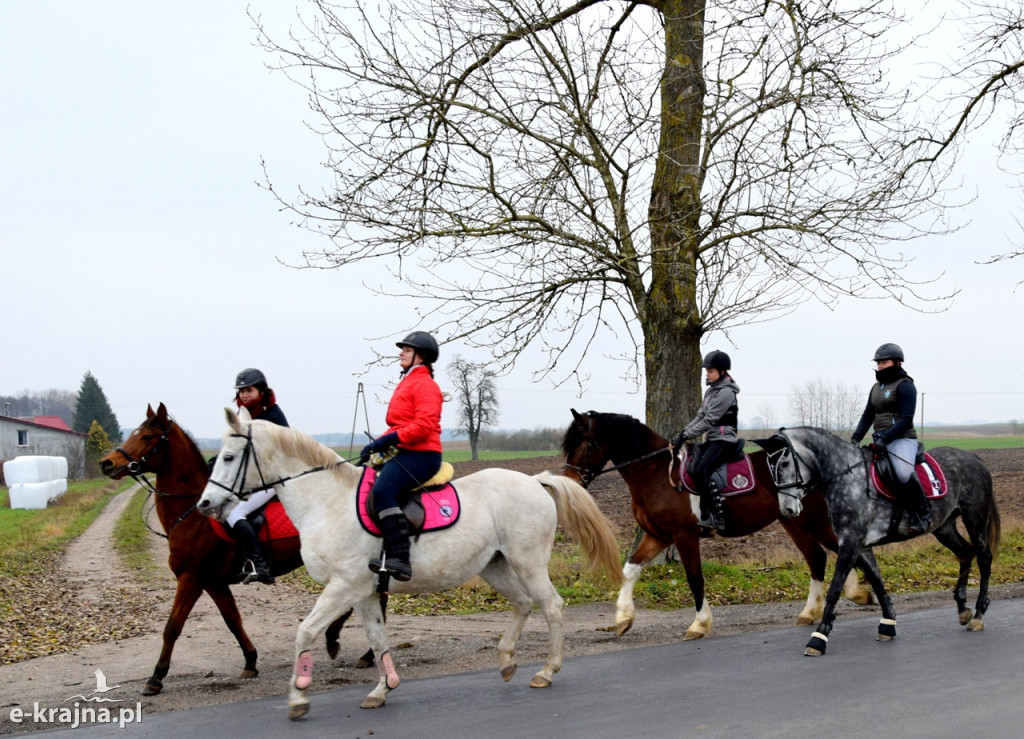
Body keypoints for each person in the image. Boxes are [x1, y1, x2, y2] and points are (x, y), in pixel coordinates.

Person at [359, 331, 444, 582]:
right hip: (407, 450)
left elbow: (424, 425)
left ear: (422, 357)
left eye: (407, 350)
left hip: (423, 454)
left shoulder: (426, 385)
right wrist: (377, 444)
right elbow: (400, 424)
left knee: (383, 491)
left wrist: (390, 439)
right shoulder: (408, 381)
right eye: (403, 349)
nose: (401, 353)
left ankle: (401, 558)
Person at [850, 343, 931, 534]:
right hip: (881, 440)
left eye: (883, 362)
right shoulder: (876, 387)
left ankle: (924, 513)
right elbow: (867, 416)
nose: (879, 366)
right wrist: (856, 438)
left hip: (902, 439)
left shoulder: (906, 385)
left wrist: (885, 437)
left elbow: (906, 419)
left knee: (903, 473)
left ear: (897, 362)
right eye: (878, 363)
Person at [227, 367, 289, 584]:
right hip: (252, 477)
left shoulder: (273, 414)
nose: (244, 395)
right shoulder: (242, 415)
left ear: (261, 391)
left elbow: (285, 448)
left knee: (235, 513)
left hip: (274, 477)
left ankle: (259, 565)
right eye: (241, 391)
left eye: (249, 390)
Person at [671, 350, 739, 531]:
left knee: (701, 469)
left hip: (724, 439)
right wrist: (682, 433)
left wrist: (685, 436)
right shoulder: (711, 392)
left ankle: (717, 516)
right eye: (706, 371)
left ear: (722, 372)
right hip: (711, 439)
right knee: (693, 467)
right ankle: (705, 513)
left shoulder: (725, 393)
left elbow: (710, 420)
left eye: (710, 371)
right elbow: (700, 416)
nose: (707, 374)